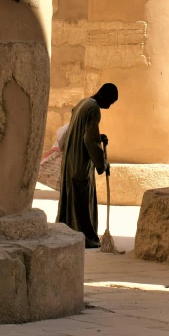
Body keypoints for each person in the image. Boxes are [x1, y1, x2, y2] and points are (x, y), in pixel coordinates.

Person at [56, 83, 118, 248]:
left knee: (72, 199)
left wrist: (99, 135)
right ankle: (86, 238)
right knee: (82, 202)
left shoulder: (84, 103)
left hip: (70, 159)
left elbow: (85, 131)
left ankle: (66, 233)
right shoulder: (94, 109)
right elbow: (89, 140)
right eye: (110, 102)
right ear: (103, 95)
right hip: (79, 163)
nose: (109, 107)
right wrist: (101, 163)